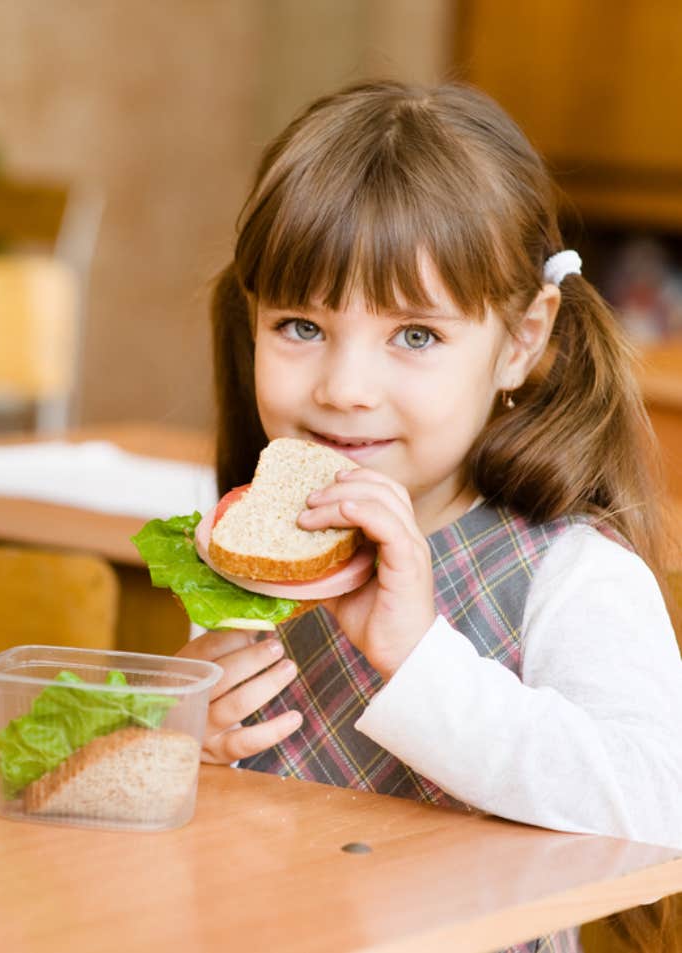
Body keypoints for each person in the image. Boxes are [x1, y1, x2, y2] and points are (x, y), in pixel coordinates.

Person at [177, 80, 682, 953]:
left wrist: (417, 657)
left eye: (414, 336)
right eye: (300, 325)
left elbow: (654, 812)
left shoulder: (572, 575)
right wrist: (188, 732)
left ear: (522, 340)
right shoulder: (253, 553)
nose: (343, 388)